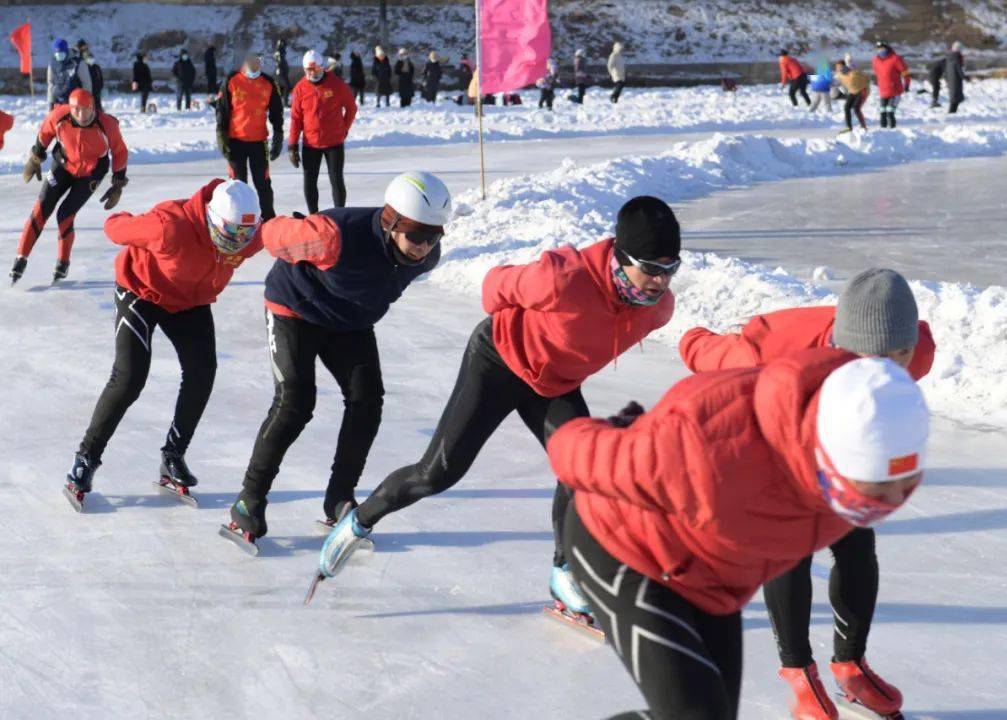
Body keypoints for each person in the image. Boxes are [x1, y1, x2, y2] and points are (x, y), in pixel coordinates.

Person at [317, 197, 682, 616]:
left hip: (554, 382)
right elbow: (493, 288)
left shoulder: (659, 310)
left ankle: (564, 574)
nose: (660, 281)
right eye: (651, 268)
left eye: (670, 270)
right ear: (621, 257)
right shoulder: (563, 276)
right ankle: (359, 521)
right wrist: (527, 331)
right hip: (499, 360)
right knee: (436, 473)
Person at [552, 345, 929, 720]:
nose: (888, 503)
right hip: (624, 548)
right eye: (874, 491)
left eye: (906, 484)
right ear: (830, 456)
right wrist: (627, 439)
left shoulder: (850, 466)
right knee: (693, 715)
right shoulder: (712, 450)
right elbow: (574, 451)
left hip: (714, 580)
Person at [679, 269, 935, 720]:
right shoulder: (781, 349)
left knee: (859, 545)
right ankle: (799, 674)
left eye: (900, 355)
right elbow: (708, 355)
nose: (889, 371)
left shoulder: (915, 352)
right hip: (775, 448)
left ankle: (850, 666)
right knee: (790, 551)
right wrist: (692, 336)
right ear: (841, 346)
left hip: (839, 445)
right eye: (872, 359)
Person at [223, 172, 451, 546]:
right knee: (295, 402)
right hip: (294, 309)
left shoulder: (425, 258)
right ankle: (249, 499)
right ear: (391, 221)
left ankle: (339, 497)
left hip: (350, 321)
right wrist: (298, 232)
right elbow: (271, 234)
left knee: (367, 400)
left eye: (434, 235)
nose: (425, 246)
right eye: (417, 235)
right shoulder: (332, 236)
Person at [63, 180, 267, 508]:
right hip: (141, 291)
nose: (235, 246)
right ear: (212, 220)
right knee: (130, 377)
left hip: (189, 301)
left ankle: (173, 456)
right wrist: (132, 219)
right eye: (229, 236)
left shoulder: (248, 237)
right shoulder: (169, 227)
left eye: (244, 237)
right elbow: (114, 228)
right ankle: (86, 459)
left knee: (203, 372)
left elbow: (283, 234)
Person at [11, 89, 128, 285]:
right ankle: (20, 258)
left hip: (91, 173)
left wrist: (118, 183)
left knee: (64, 214)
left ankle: (62, 263)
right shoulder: (58, 116)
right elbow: (45, 133)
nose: (82, 116)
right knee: (41, 209)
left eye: (87, 111)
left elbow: (120, 151)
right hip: (63, 165)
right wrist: (36, 156)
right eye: (77, 110)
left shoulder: (108, 125)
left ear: (94, 108)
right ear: (70, 108)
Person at [216, 50, 284, 220]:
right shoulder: (231, 80)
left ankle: (269, 220)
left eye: (257, 62)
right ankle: (237, 219)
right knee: (238, 185)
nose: (254, 65)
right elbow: (222, 111)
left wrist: (278, 136)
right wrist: (221, 137)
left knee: (263, 183)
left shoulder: (268, 83)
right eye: (250, 62)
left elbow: (277, 112)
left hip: (258, 143)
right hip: (235, 141)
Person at [288, 50, 356, 215]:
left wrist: (344, 129)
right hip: (310, 144)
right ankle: (314, 215)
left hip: (334, 143)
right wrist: (292, 145)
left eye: (316, 70)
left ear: (322, 68)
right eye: (308, 71)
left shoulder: (337, 84)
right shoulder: (300, 88)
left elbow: (351, 108)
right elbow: (296, 118)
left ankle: (340, 215)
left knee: (336, 180)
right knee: (310, 181)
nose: (312, 74)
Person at [871, 41, 909, 128]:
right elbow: (877, 73)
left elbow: (905, 72)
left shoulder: (895, 59)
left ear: (887, 48)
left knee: (890, 112)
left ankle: (893, 132)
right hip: (883, 91)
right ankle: (883, 133)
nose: (881, 51)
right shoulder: (875, 60)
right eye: (879, 49)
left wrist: (906, 84)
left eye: (883, 49)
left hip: (895, 91)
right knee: (882, 112)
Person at [46, 38, 92, 109]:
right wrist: (51, 102)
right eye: (57, 53)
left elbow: (86, 83)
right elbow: (51, 83)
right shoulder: (52, 63)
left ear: (66, 51)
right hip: (58, 102)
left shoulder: (78, 63)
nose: (59, 55)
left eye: (61, 53)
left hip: (76, 102)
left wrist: (87, 100)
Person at [833, 59, 870, 132]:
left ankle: (863, 126)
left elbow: (865, 78)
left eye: (840, 66)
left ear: (844, 66)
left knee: (857, 108)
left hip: (862, 90)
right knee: (846, 107)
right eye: (837, 67)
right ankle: (849, 127)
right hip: (852, 92)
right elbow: (835, 82)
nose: (839, 68)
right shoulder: (839, 75)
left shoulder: (853, 72)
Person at [944, 41, 966, 114]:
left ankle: (952, 113)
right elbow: (959, 68)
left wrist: (946, 79)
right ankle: (951, 114)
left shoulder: (949, 57)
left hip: (951, 79)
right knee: (955, 98)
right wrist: (964, 77)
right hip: (955, 80)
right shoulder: (956, 57)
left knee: (954, 97)